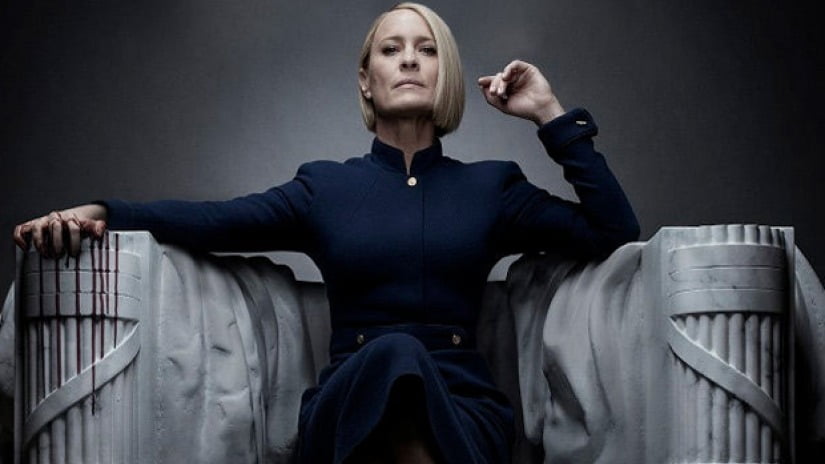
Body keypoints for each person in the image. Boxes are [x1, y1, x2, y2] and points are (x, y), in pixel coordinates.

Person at [14, 2, 639, 463]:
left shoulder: (492, 187)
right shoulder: (325, 188)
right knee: (393, 355)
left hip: (462, 410)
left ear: (444, 74)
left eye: (426, 50)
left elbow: (614, 231)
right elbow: (209, 222)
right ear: (366, 79)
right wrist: (98, 211)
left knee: (407, 359)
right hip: (348, 408)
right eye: (391, 49)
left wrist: (549, 114)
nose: (409, 59)